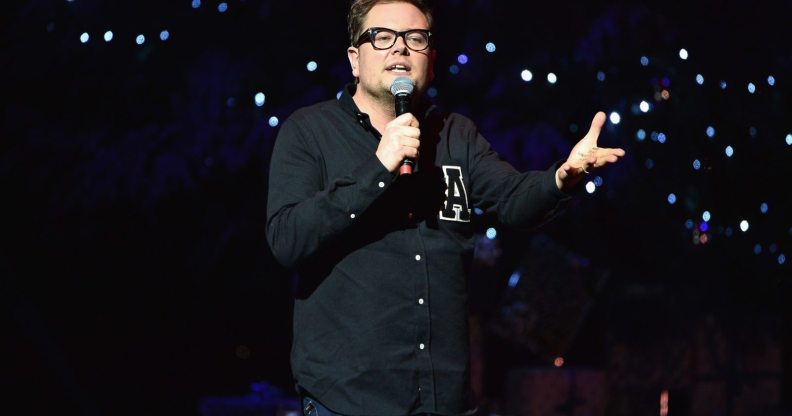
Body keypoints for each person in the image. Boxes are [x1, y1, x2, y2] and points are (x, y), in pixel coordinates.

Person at [266, 1, 625, 415]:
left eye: (415, 39)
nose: (400, 49)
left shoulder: (455, 135)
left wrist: (564, 175)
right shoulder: (310, 132)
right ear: (354, 59)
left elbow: (512, 199)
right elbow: (287, 240)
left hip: (445, 399)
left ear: (431, 62)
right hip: (348, 401)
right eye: (382, 37)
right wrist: (378, 168)